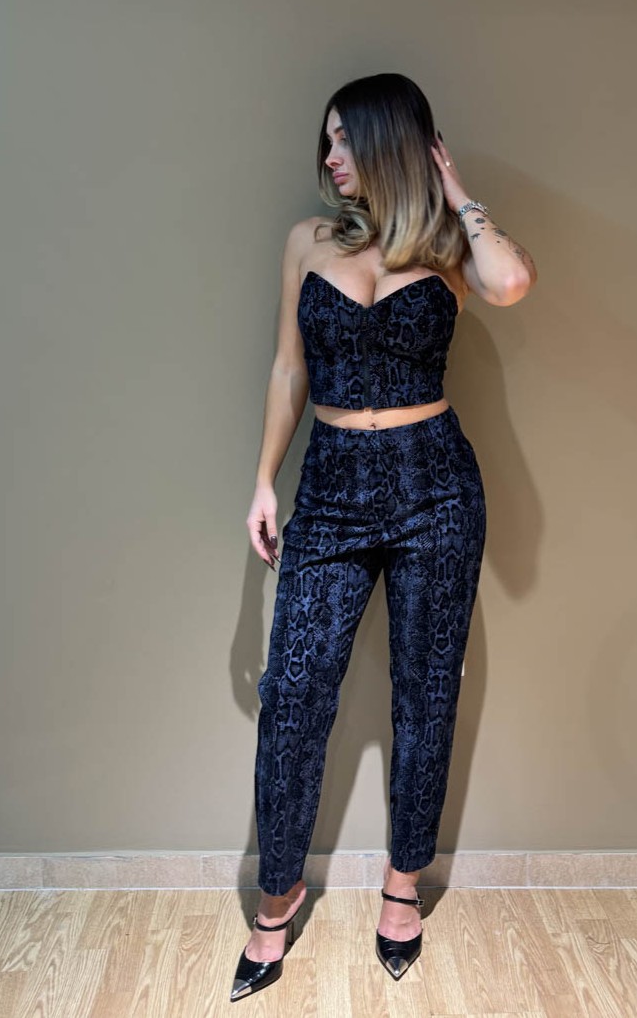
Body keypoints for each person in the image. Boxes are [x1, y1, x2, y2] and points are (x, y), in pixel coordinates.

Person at [230, 72, 537, 1001]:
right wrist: (264, 480)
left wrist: (453, 187)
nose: (328, 157)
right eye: (324, 139)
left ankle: (402, 889)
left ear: (391, 143)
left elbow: (511, 282)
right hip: (330, 486)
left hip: (434, 485)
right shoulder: (307, 241)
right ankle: (278, 897)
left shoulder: (446, 247)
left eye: (344, 139)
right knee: (293, 696)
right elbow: (289, 369)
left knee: (425, 695)